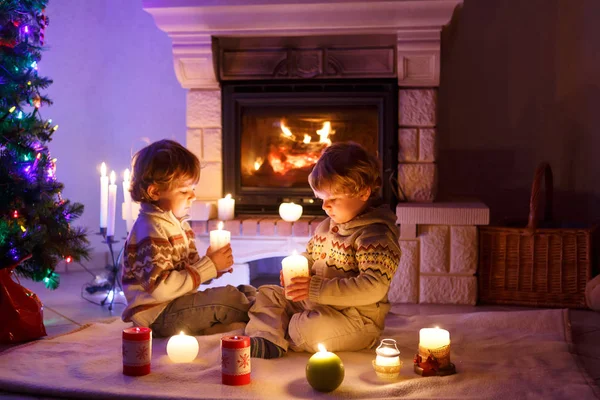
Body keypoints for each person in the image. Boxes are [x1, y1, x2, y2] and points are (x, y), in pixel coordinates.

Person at [245, 142, 401, 358]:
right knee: (268, 293)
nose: (325, 207)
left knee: (308, 330)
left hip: (355, 319)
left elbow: (374, 287)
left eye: (333, 199)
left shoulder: (376, 236)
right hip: (316, 303)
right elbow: (311, 255)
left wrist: (315, 289)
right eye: (322, 199)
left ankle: (285, 328)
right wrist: (298, 268)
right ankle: (267, 338)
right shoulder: (326, 226)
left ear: (364, 193)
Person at [120, 139, 254, 337]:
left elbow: (188, 275)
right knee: (230, 299)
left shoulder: (178, 224)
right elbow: (161, 289)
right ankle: (266, 313)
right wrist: (208, 266)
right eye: (184, 191)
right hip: (158, 315)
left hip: (178, 305)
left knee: (244, 291)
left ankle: (252, 310)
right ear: (155, 192)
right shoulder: (150, 230)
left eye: (193, 189)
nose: (192, 196)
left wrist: (212, 267)